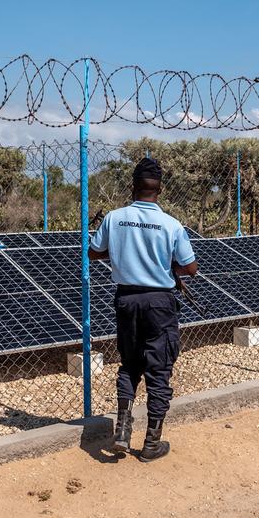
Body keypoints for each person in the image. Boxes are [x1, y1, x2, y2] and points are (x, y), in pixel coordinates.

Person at [89, 157, 197, 462]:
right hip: (160, 303)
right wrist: (165, 263)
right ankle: (151, 444)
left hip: (127, 300)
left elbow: (93, 252)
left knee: (129, 364)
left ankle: (122, 430)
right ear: (159, 190)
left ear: (133, 186)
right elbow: (190, 267)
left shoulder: (114, 218)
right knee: (159, 369)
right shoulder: (171, 224)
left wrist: (124, 252)